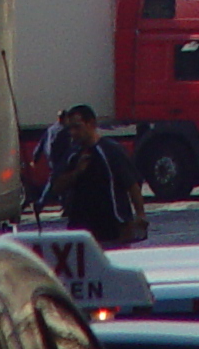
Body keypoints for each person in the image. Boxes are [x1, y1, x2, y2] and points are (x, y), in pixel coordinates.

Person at [51, 103, 144, 248]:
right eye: (70, 128)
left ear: (91, 124)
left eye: (77, 127)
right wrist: (76, 172)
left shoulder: (111, 151)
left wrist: (140, 215)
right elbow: (56, 187)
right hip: (80, 230)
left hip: (112, 227)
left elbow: (132, 184)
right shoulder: (72, 155)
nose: (73, 132)